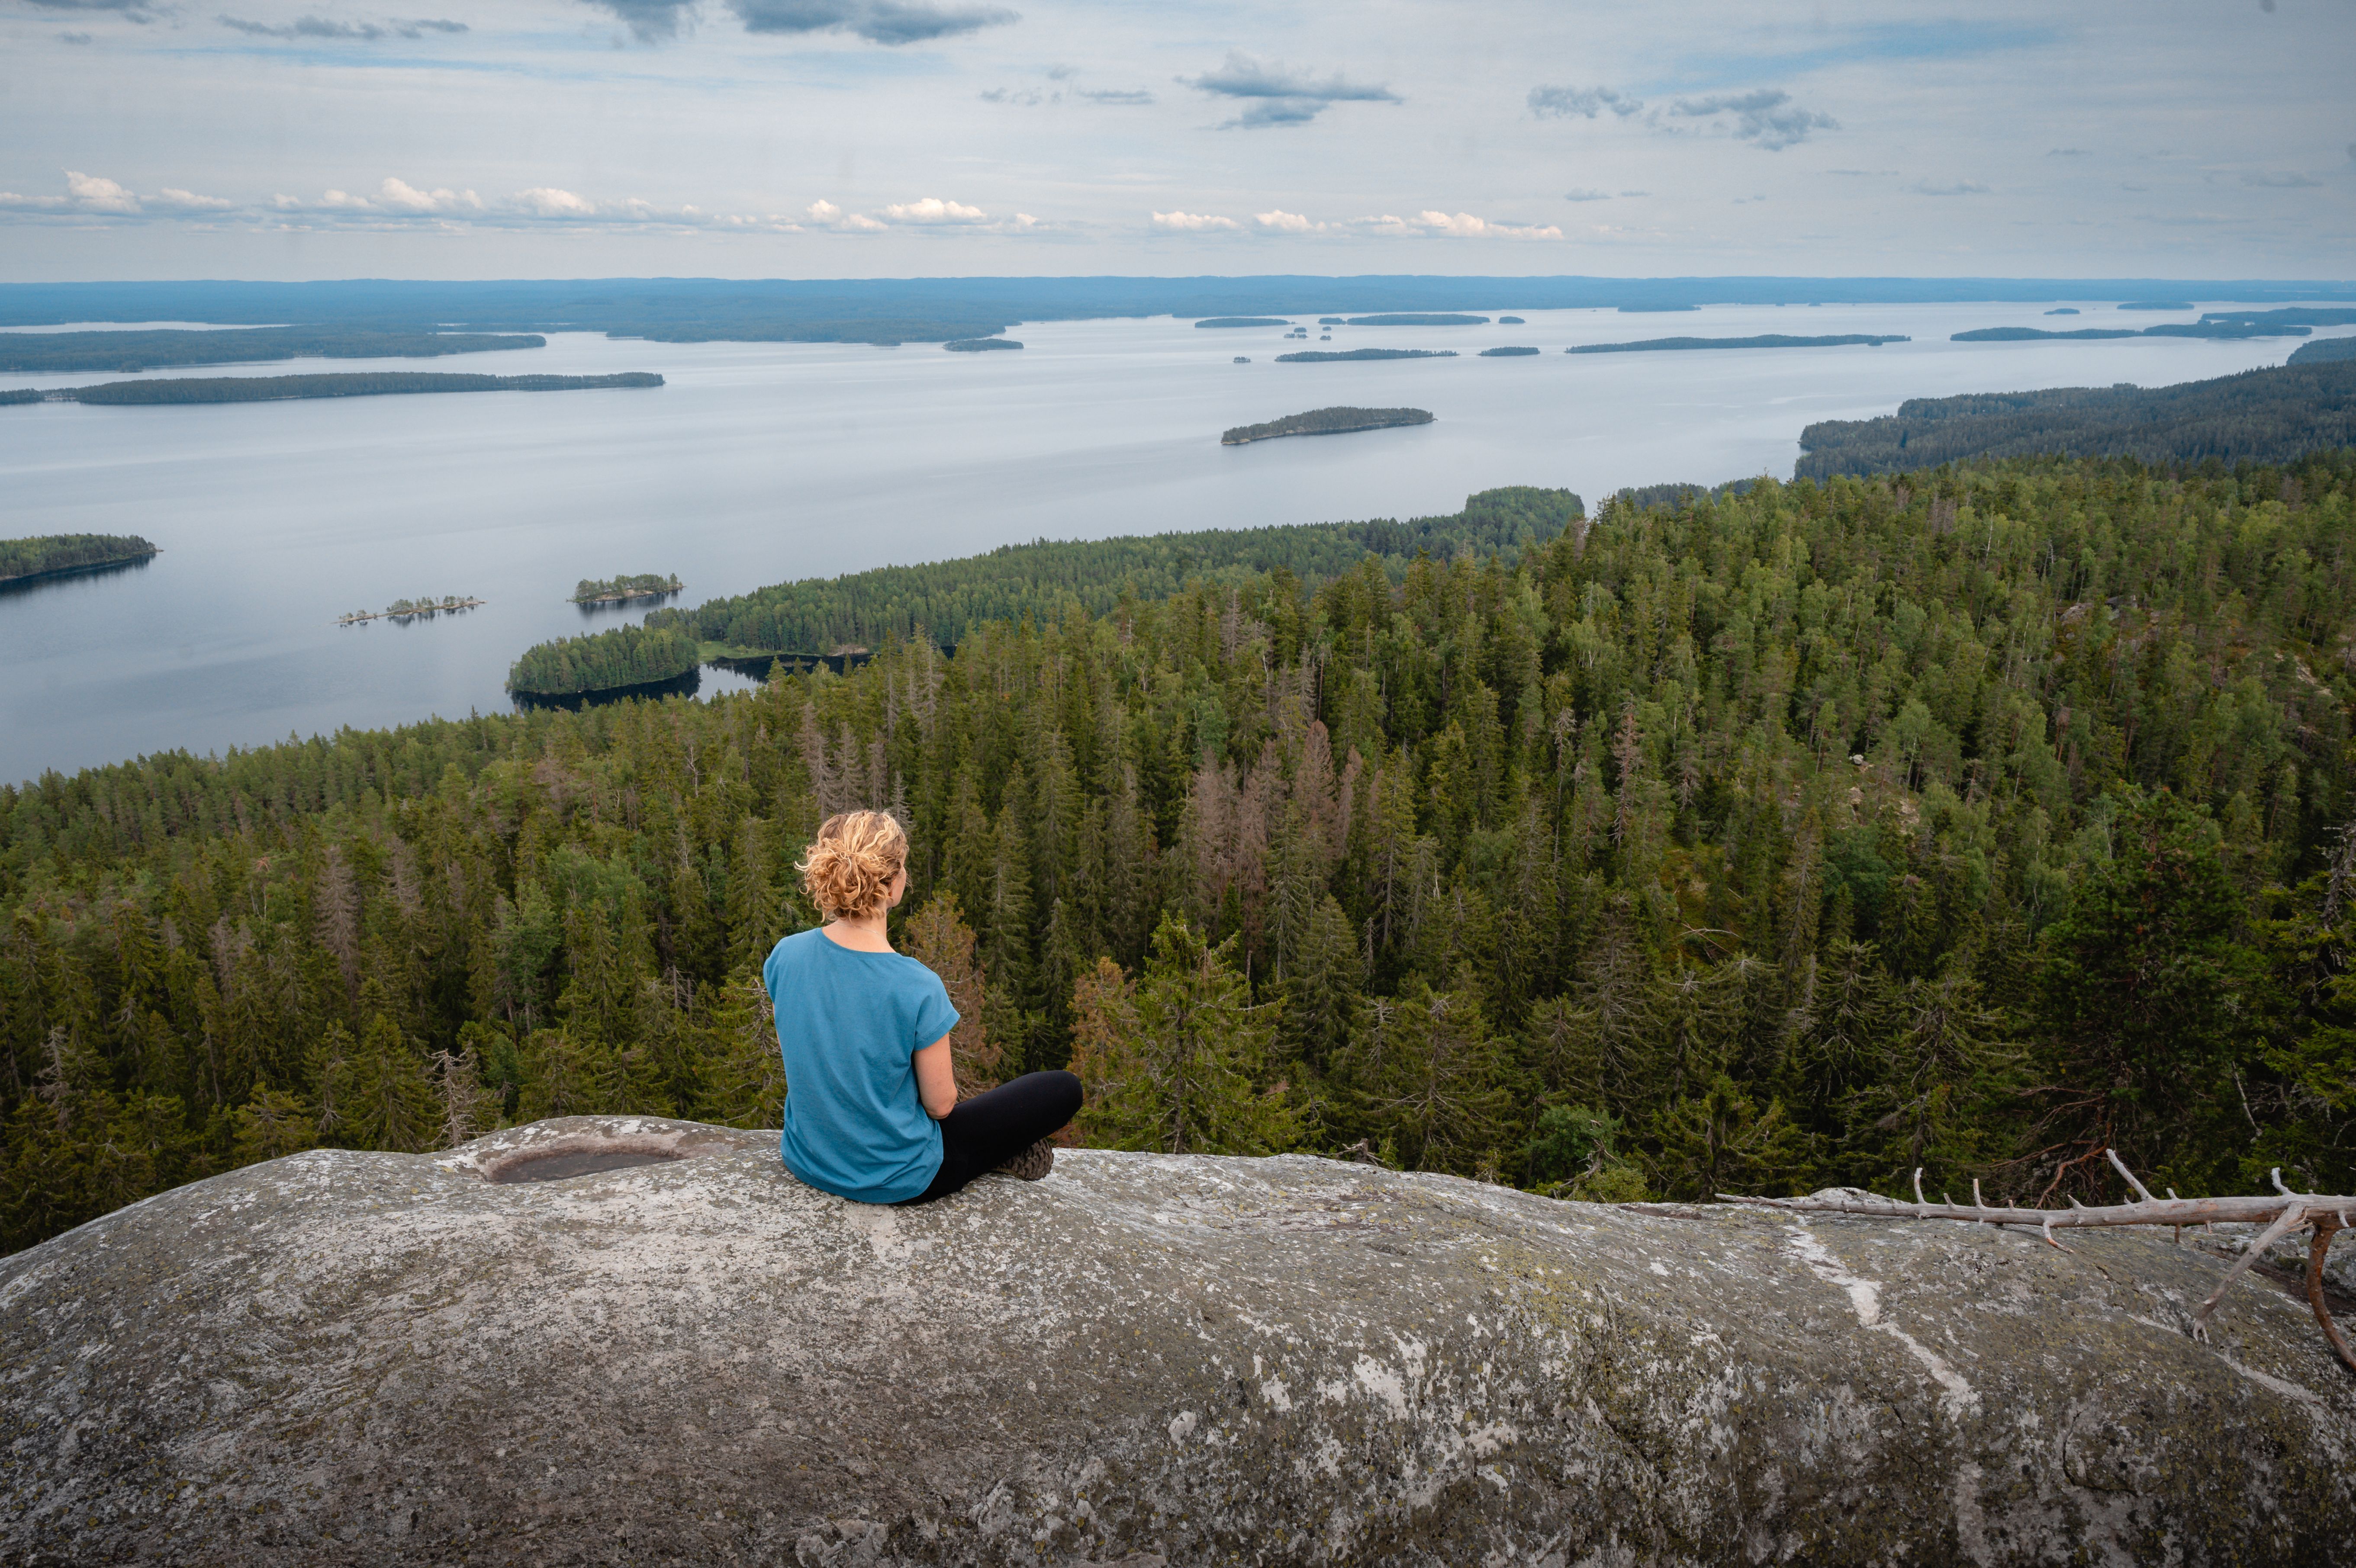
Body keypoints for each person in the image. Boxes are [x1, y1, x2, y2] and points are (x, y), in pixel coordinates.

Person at [763, 809, 1082, 1205]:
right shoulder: (916, 985)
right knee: (1063, 1089)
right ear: (893, 885)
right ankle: (998, 1152)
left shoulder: (786, 955)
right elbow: (941, 1105)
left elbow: (806, 1053)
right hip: (898, 1177)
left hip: (808, 1158)